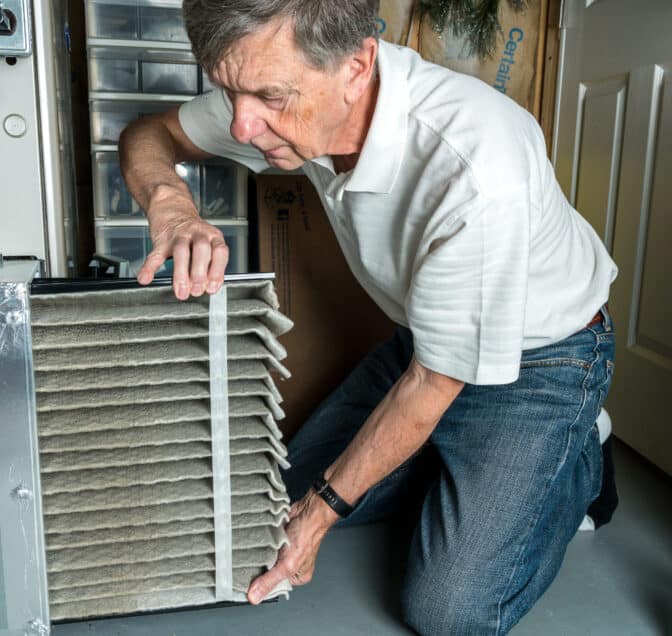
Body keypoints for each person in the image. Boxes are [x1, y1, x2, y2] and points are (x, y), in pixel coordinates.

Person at [118, 1, 618, 632]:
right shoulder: (270, 81)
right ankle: (456, 466)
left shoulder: (477, 163)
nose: (242, 127)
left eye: (269, 97)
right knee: (266, 506)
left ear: (356, 66)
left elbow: (435, 383)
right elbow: (147, 134)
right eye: (229, 92)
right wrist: (172, 204)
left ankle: (583, 450)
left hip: (544, 358)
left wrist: (324, 512)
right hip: (425, 344)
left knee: (449, 612)